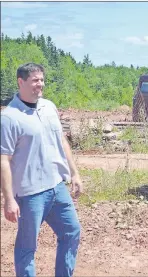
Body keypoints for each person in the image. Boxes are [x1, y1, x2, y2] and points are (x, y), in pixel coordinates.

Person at [1, 63, 83, 276]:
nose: (41, 84)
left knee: (71, 232)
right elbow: (4, 160)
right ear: (21, 82)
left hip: (57, 186)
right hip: (30, 194)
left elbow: (61, 140)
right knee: (27, 248)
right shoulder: (10, 117)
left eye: (42, 80)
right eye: (35, 80)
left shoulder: (48, 107)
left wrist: (74, 172)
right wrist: (8, 199)